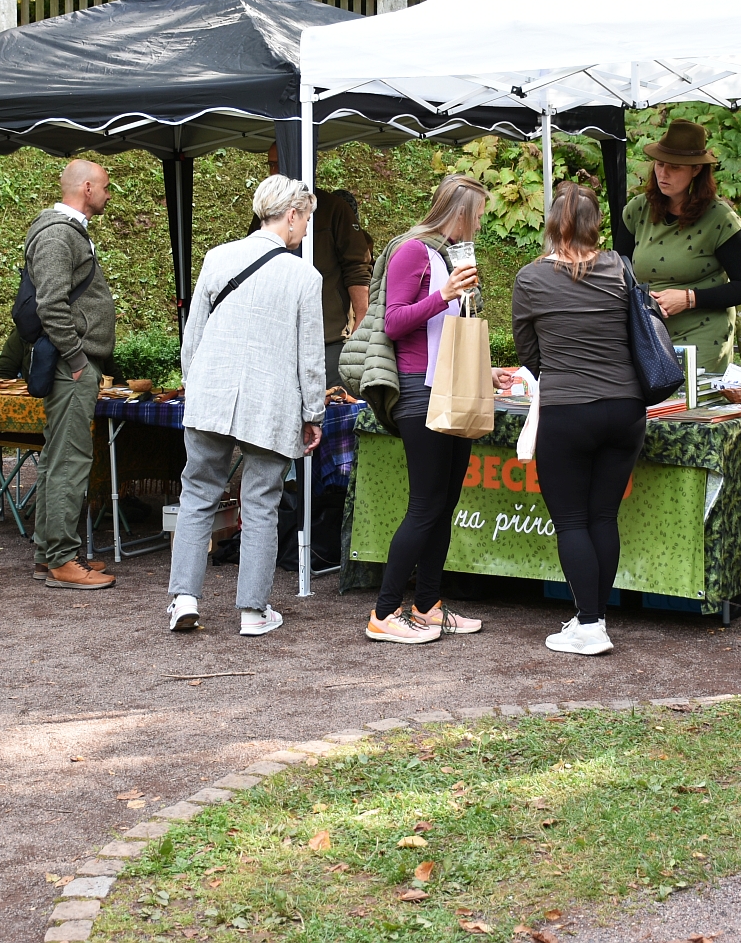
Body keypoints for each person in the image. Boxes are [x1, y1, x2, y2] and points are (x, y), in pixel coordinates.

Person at [167, 174, 327, 637]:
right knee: (261, 504)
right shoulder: (305, 276)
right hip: (271, 403)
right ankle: (253, 612)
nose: (305, 229)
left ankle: (184, 599)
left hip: (211, 395)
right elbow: (310, 357)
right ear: (292, 215)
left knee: (198, 495)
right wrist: (312, 414)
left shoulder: (217, 257)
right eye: (306, 220)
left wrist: (194, 385)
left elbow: (193, 335)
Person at [365, 174, 501, 644]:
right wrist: (442, 295)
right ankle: (384, 613)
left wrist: (484, 371)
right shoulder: (412, 251)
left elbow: (450, 331)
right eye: (477, 216)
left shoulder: (448, 256)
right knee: (425, 506)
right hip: (420, 392)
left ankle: (427, 606)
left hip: (451, 388)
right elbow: (394, 321)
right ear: (459, 212)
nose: (479, 225)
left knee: (444, 505)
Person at [513, 182, 646, 656]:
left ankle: (588, 625)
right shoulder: (621, 268)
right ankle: (595, 618)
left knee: (571, 521)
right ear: (597, 224)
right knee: (603, 516)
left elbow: (528, 355)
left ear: (551, 223)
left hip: (567, 408)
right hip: (626, 407)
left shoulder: (531, 278)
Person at [23, 160, 119, 590]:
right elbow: (51, 304)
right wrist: (78, 359)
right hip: (70, 366)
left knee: (58, 458)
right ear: (87, 188)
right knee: (69, 460)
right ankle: (62, 559)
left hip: (70, 363)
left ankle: (49, 554)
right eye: (106, 187)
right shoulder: (58, 235)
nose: (109, 195)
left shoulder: (67, 232)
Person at [622, 119, 741, 375]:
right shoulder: (637, 210)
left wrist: (689, 299)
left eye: (674, 167)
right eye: (660, 164)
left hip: (703, 333)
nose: (663, 174)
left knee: (688, 400)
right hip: (648, 331)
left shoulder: (720, 219)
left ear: (696, 169)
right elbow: (621, 270)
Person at [265, 143, 372, 388]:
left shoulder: (334, 209)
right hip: (279, 341)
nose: (273, 172)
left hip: (328, 338)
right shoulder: (267, 215)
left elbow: (357, 267)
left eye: (278, 164)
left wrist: (361, 321)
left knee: (331, 404)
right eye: (270, 165)